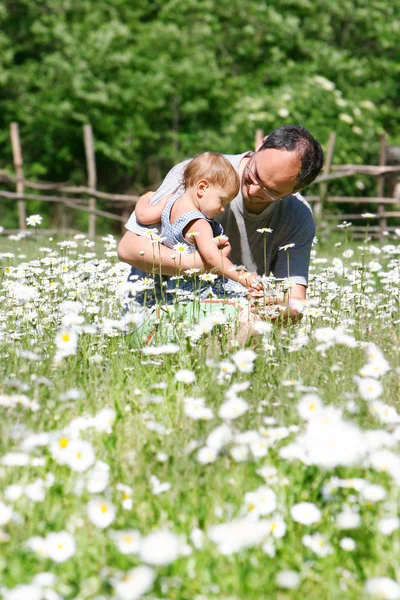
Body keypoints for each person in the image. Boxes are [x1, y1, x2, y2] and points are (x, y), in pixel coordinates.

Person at [118, 124, 324, 321]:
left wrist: (278, 308)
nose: (252, 191)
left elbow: (296, 302)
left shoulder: (298, 215)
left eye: (270, 191)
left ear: (294, 190)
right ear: (260, 144)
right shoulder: (202, 174)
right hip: (156, 310)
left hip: (231, 310)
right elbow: (128, 249)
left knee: (248, 322)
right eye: (254, 175)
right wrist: (198, 264)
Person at [134, 152, 260, 291]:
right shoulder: (200, 224)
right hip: (203, 289)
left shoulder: (169, 200)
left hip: (176, 287)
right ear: (202, 188)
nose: (223, 209)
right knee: (242, 299)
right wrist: (243, 276)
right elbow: (212, 259)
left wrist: (146, 197)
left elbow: (142, 215)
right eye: (222, 201)